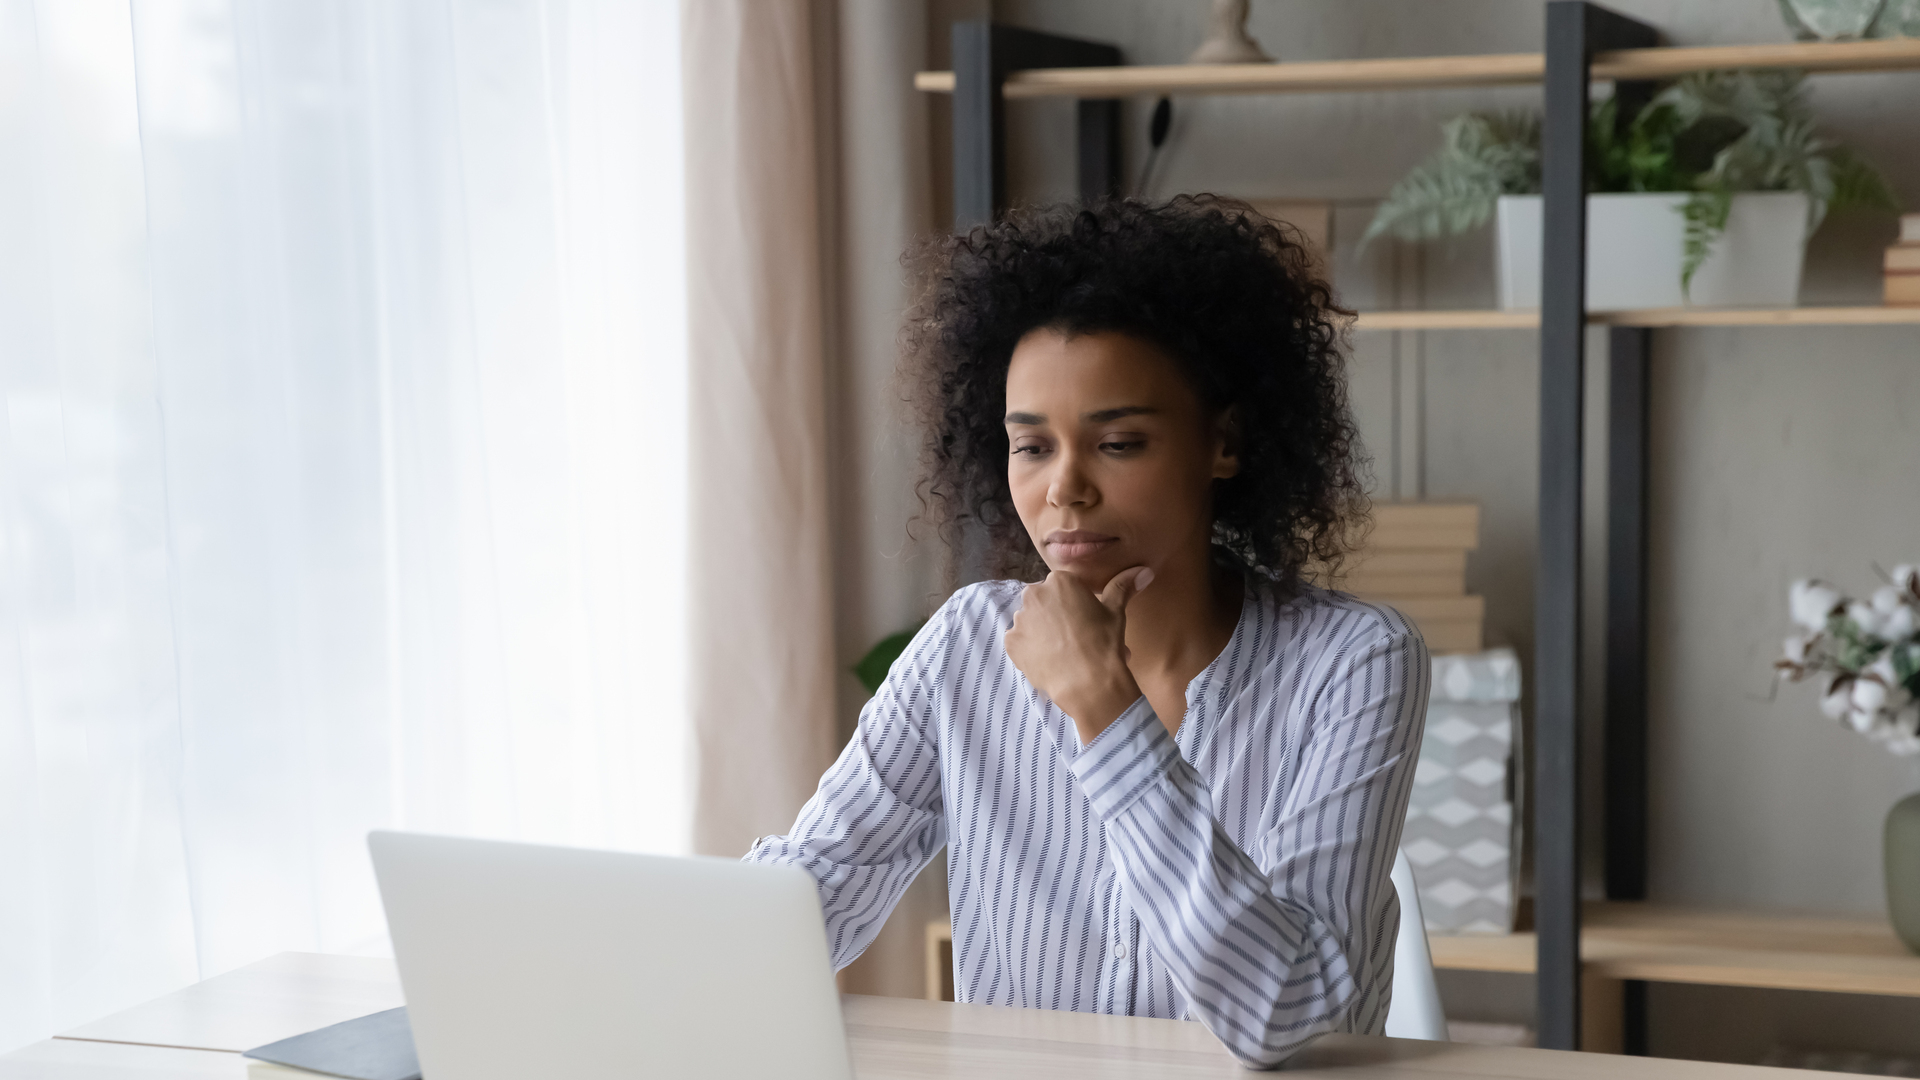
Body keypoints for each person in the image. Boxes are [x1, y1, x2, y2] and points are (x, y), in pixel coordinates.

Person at [745, 195, 1428, 1069]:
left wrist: (1107, 711)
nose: (1064, 488)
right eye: (1032, 447)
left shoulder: (1355, 664)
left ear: (1221, 443)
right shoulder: (966, 647)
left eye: (1120, 443)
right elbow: (814, 897)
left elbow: (1278, 1014)